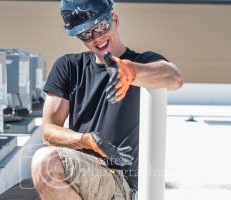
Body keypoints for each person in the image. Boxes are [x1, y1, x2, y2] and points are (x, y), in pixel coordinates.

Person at [31, 0, 183, 199]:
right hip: (83, 171)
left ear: (115, 19)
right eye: (86, 34)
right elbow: (48, 133)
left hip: (120, 181)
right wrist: (87, 141)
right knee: (42, 164)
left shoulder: (143, 63)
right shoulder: (68, 67)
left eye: (101, 26)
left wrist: (131, 71)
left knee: (45, 163)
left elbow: (173, 77)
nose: (97, 38)